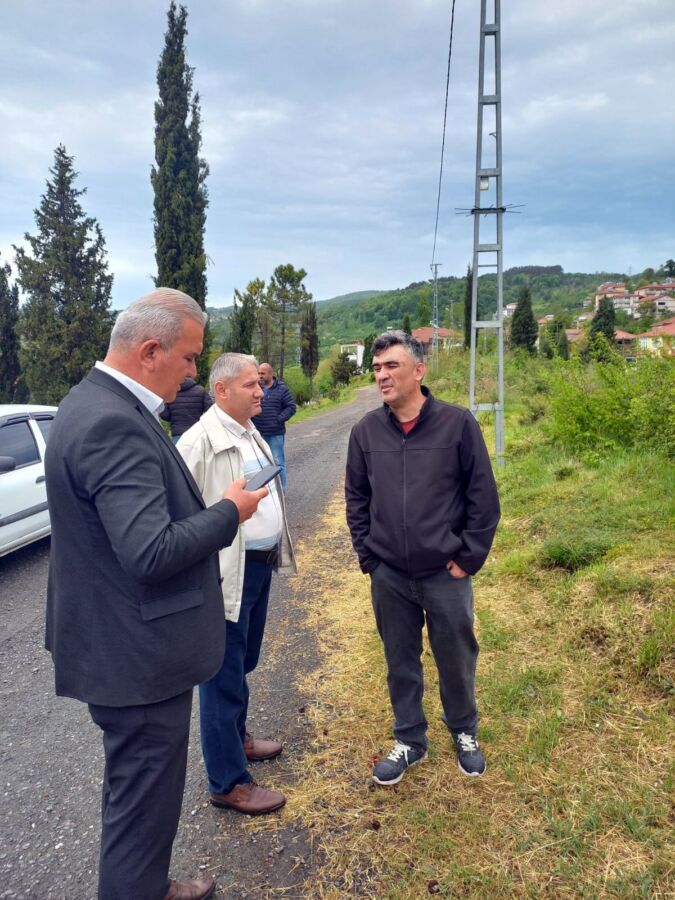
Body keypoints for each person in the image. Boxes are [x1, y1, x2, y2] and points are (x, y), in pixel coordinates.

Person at [44, 289, 268, 900]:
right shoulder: (113, 421)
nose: (196, 371)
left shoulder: (90, 402)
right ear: (150, 350)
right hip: (136, 657)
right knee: (141, 801)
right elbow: (150, 552)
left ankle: (146, 883)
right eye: (192, 358)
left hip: (119, 644)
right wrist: (230, 510)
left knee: (139, 795)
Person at [345, 330, 500, 786]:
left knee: (456, 654)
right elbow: (356, 497)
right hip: (390, 573)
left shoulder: (457, 425)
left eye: (391, 366)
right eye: (376, 369)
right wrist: (369, 557)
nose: (382, 376)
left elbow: (483, 499)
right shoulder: (366, 431)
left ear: (419, 370)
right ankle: (410, 738)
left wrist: (467, 559)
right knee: (400, 659)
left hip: (445, 572)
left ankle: (464, 731)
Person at [178, 353, 296, 815]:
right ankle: (227, 782)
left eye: (260, 385)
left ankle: (237, 738)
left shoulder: (248, 430)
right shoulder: (197, 443)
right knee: (221, 675)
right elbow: (182, 519)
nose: (261, 392)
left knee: (242, 662)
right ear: (222, 389)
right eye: (251, 385)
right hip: (226, 574)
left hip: (258, 568)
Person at [251, 362, 296, 489]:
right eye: (258, 373)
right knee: (261, 464)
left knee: (278, 463)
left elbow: (291, 407)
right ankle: (267, 492)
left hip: (275, 433)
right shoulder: (255, 389)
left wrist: (279, 419)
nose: (260, 376)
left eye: (262, 373)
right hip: (258, 433)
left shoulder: (282, 389)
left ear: (271, 374)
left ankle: (281, 491)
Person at [160, 376, 213, 442]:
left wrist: (174, 418)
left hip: (178, 434)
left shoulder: (171, 392)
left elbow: (164, 415)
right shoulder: (200, 390)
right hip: (197, 433)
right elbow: (211, 411)